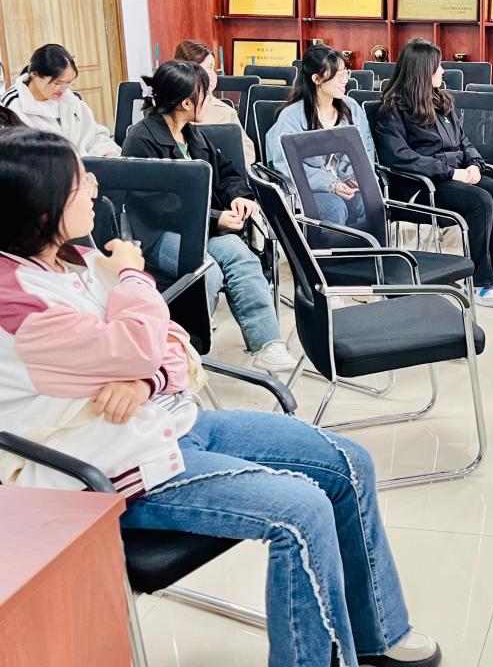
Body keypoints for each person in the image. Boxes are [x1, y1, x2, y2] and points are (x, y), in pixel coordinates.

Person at [0, 126, 441, 667]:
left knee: (349, 463)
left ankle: (378, 634)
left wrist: (144, 379)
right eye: (80, 183)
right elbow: (141, 340)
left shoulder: (75, 257)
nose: (95, 187)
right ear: (41, 210)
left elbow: (175, 343)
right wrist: (133, 279)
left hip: (167, 422)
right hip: (114, 468)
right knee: (301, 511)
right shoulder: (18, 306)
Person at [121, 60, 298, 372]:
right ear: (186, 103)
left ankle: (266, 343)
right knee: (207, 270)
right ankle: (183, 350)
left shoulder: (192, 135)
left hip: (200, 229)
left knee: (242, 257)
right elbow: (159, 206)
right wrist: (217, 219)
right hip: (158, 234)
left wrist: (239, 197)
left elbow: (228, 173)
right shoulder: (142, 139)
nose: (209, 100)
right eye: (204, 95)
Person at [374, 38, 493, 308]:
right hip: (419, 186)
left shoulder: (441, 101)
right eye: (437, 66)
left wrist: (475, 165)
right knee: (480, 201)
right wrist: (451, 173)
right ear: (422, 70)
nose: (442, 71)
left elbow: (464, 142)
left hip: (454, 176)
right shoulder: (393, 108)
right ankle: (479, 282)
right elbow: (400, 157)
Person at [266, 45, 376, 228]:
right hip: (309, 188)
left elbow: (366, 148)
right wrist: (331, 184)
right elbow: (286, 165)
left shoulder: (351, 108)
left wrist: (356, 175)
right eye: (338, 75)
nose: (345, 80)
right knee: (334, 208)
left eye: (346, 73)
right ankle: (329, 248)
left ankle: (371, 248)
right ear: (317, 79)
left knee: (370, 203)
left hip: (345, 182)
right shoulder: (291, 117)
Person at [0, 43, 120, 157]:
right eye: (57, 83)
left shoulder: (71, 99)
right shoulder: (12, 106)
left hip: (86, 166)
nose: (63, 89)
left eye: (69, 82)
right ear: (35, 75)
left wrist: (104, 152)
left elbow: (95, 133)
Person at [173, 39, 257, 164]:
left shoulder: (225, 112)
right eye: (209, 68)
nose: (213, 76)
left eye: (214, 69)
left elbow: (248, 154)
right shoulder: (166, 108)